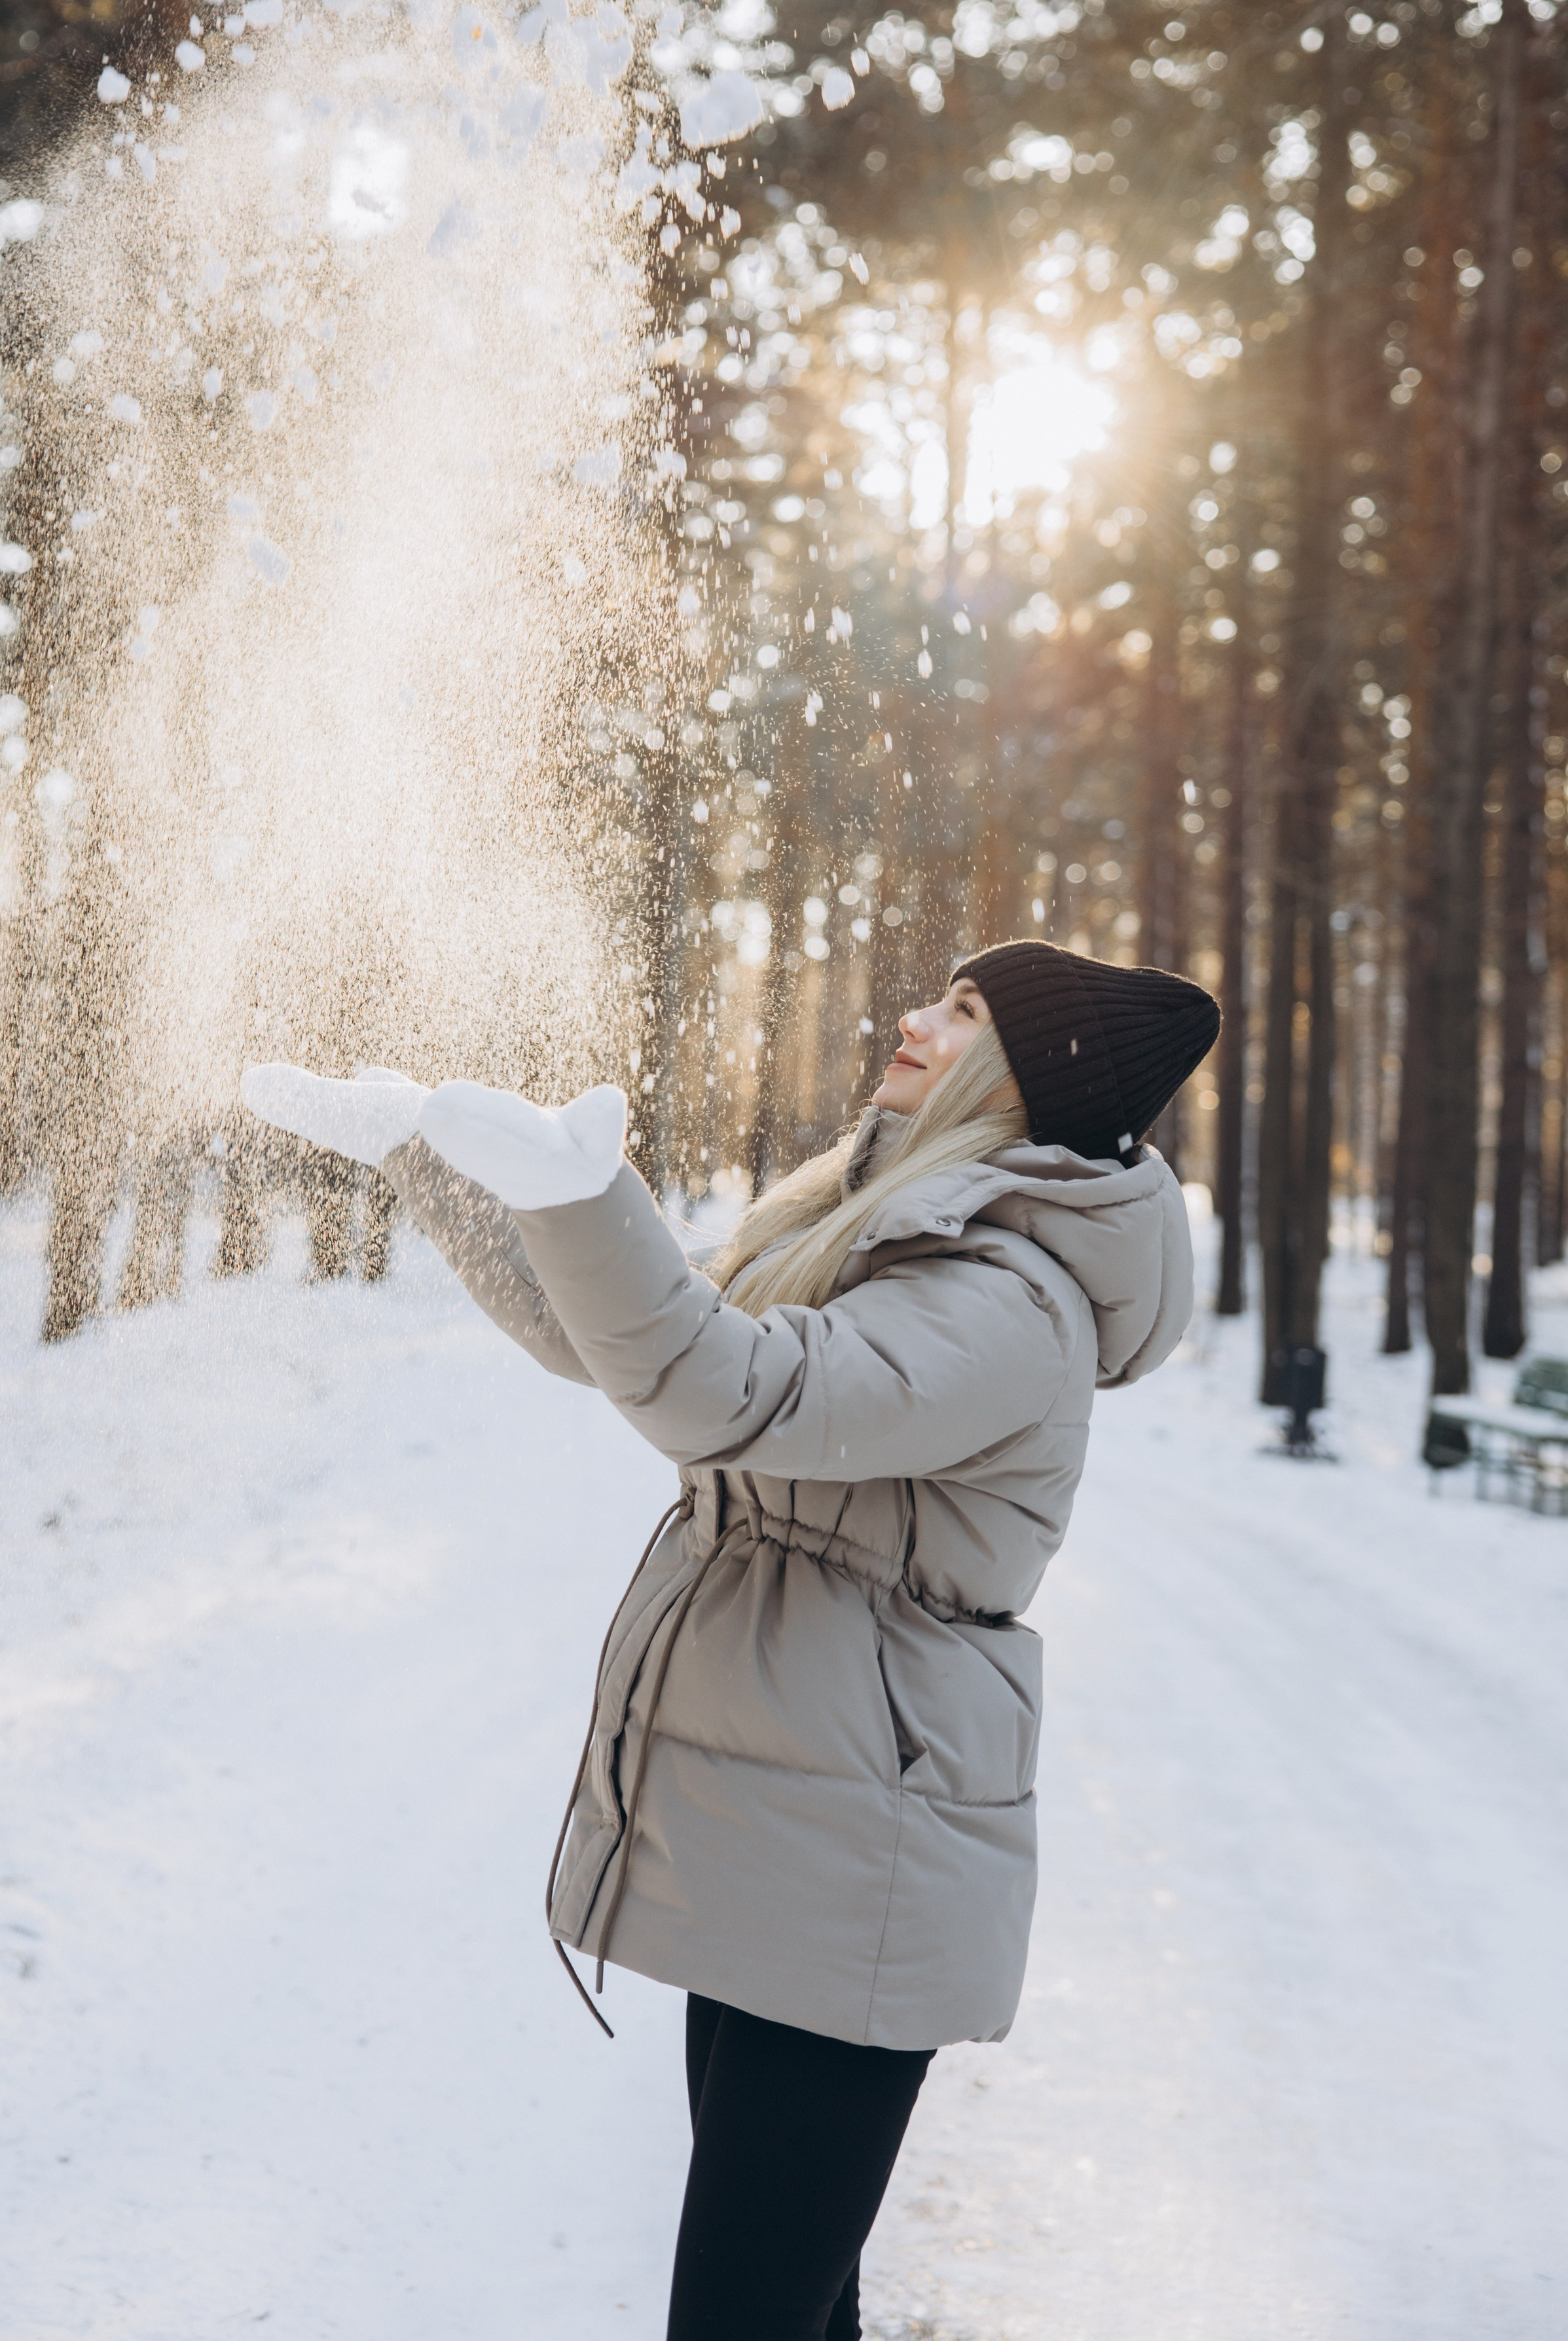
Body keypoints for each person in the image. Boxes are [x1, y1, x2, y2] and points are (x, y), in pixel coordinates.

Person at [242, 935, 1220, 2340]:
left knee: (743, 2319)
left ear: (1021, 1076)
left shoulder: (1003, 1301)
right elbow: (616, 1337)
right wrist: (431, 1163)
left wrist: (588, 1192)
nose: (910, 1020)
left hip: (860, 1859)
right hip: (797, 1833)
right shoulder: (894, 1237)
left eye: (959, 1013)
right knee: (789, 2315)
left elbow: (721, 1390)